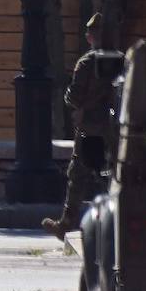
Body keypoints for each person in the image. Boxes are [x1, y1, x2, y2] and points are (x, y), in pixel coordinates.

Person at [43, 13, 115, 240]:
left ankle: (66, 223)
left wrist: (70, 99)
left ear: (92, 37)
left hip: (90, 129)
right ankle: (116, 219)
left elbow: (74, 98)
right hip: (115, 130)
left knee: (78, 175)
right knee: (114, 175)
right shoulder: (123, 60)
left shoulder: (86, 62)